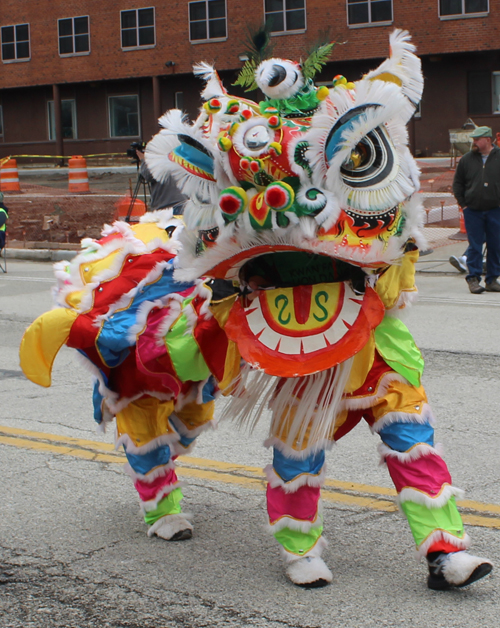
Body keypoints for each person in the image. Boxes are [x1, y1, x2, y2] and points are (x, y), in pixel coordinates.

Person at [452, 126, 500, 294]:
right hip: (473, 210)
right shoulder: (467, 160)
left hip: (495, 210)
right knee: (475, 245)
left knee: (496, 244)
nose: (474, 143)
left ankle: (492, 279)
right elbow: (457, 184)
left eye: (477, 140)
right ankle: (473, 279)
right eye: (473, 140)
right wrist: (464, 204)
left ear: (488, 140)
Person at [136, 148, 187, 214]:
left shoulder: (158, 160)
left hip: (166, 206)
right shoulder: (178, 156)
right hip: (183, 204)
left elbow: (148, 175)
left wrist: (144, 160)